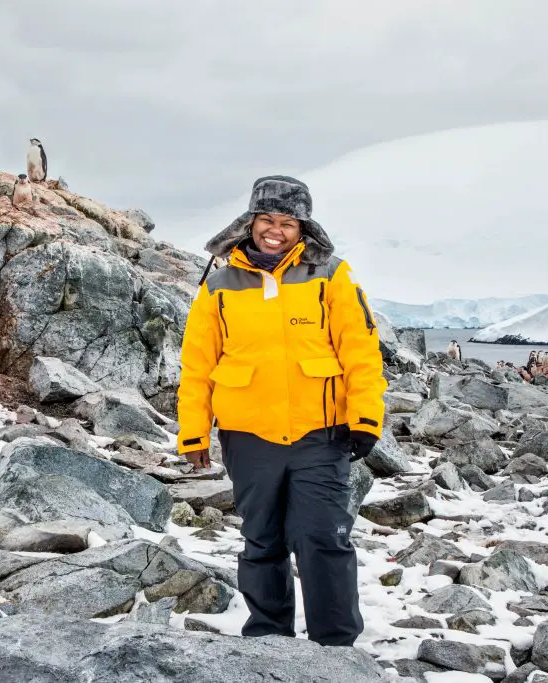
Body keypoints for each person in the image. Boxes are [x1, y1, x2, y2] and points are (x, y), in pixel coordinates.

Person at [176, 175, 387, 647]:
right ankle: (269, 641)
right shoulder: (219, 283)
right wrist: (193, 432)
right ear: (251, 222)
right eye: (267, 220)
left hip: (321, 432)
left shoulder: (331, 274)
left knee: (323, 538)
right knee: (262, 541)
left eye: (287, 222)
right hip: (247, 436)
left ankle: (336, 648)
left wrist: (366, 417)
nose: (275, 230)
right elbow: (197, 363)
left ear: (303, 227)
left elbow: (361, 350)